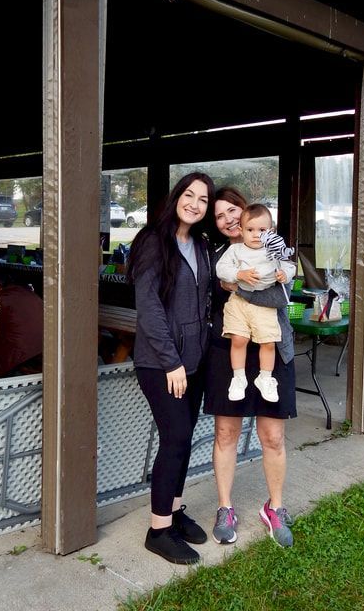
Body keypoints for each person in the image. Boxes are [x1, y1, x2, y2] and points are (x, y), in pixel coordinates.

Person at [126, 172, 215, 565]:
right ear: (176, 196)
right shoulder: (152, 241)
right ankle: (158, 530)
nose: (195, 203)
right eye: (189, 194)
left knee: (184, 436)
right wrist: (172, 362)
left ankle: (174, 511)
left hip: (193, 361)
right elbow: (149, 309)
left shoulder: (201, 244)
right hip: (162, 363)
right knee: (175, 438)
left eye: (203, 200)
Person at [204, 187, 297, 548]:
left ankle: (275, 507)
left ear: (247, 212)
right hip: (229, 349)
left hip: (273, 346)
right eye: (220, 215)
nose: (228, 219)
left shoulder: (274, 245)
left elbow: (288, 281)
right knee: (226, 433)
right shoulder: (216, 254)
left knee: (272, 436)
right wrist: (230, 281)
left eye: (232, 210)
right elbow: (215, 289)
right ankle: (225, 507)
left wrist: (276, 276)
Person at [215, 203, 295, 404]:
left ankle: (265, 378)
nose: (256, 234)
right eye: (250, 230)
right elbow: (221, 269)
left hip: (265, 306)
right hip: (239, 303)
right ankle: (239, 377)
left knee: (268, 342)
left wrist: (284, 274)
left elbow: (289, 265)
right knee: (238, 339)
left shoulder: (273, 251)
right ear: (241, 231)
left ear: (271, 231)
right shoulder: (236, 250)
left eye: (262, 230)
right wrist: (238, 274)